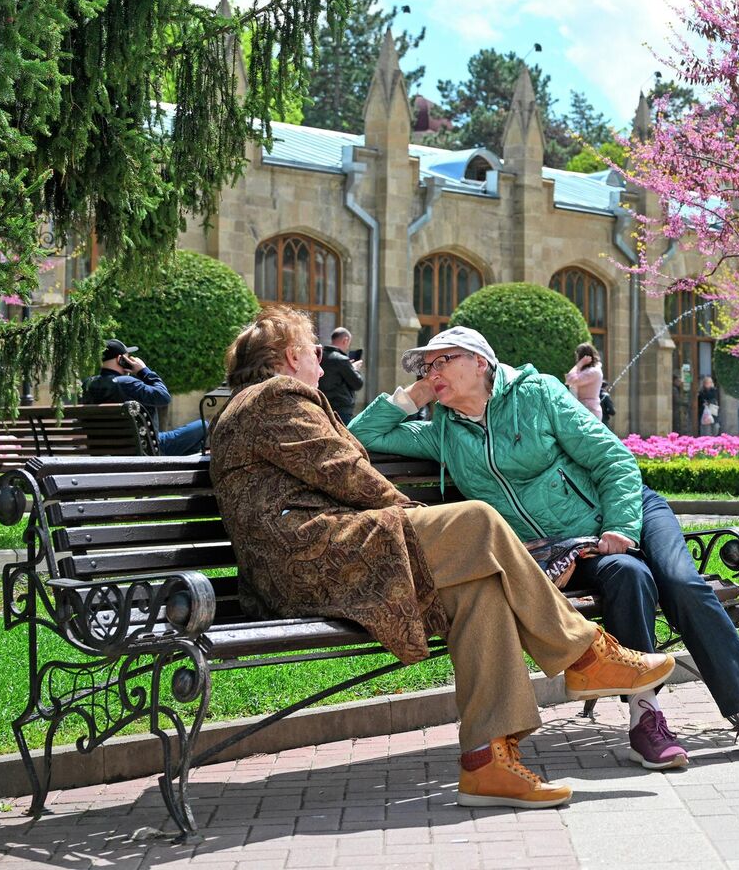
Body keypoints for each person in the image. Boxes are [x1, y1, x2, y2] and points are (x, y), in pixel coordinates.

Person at [208, 309, 673, 810]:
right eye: (316, 352)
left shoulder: (261, 403)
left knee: (481, 591)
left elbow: (342, 464)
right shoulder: (276, 397)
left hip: (324, 559)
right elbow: (347, 471)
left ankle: (486, 762)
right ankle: (585, 656)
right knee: (474, 521)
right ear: (292, 357)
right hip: (311, 561)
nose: (323, 364)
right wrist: (419, 518)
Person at [349, 327, 739, 771]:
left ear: (480, 362)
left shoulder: (537, 395)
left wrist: (620, 526)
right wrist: (416, 393)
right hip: (562, 546)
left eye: (443, 361)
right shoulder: (441, 431)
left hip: (624, 509)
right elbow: (357, 438)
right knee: (630, 577)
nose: (432, 371)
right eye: (427, 365)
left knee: (680, 581)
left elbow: (612, 460)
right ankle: (645, 719)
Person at [81, 339, 208, 455]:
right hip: (146, 448)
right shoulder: (126, 383)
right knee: (203, 426)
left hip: (108, 450)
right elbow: (164, 397)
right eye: (128, 357)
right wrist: (144, 370)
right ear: (120, 359)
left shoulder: (88, 384)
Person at [319, 327, 365, 423]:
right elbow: (357, 383)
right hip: (340, 411)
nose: (348, 347)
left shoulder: (320, 357)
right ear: (345, 340)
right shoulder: (342, 360)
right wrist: (355, 369)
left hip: (321, 407)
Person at [565, 343, 605, 422]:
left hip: (590, 411)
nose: (576, 358)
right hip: (584, 410)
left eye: (577, 355)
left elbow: (569, 380)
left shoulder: (593, 371)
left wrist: (579, 364)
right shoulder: (587, 371)